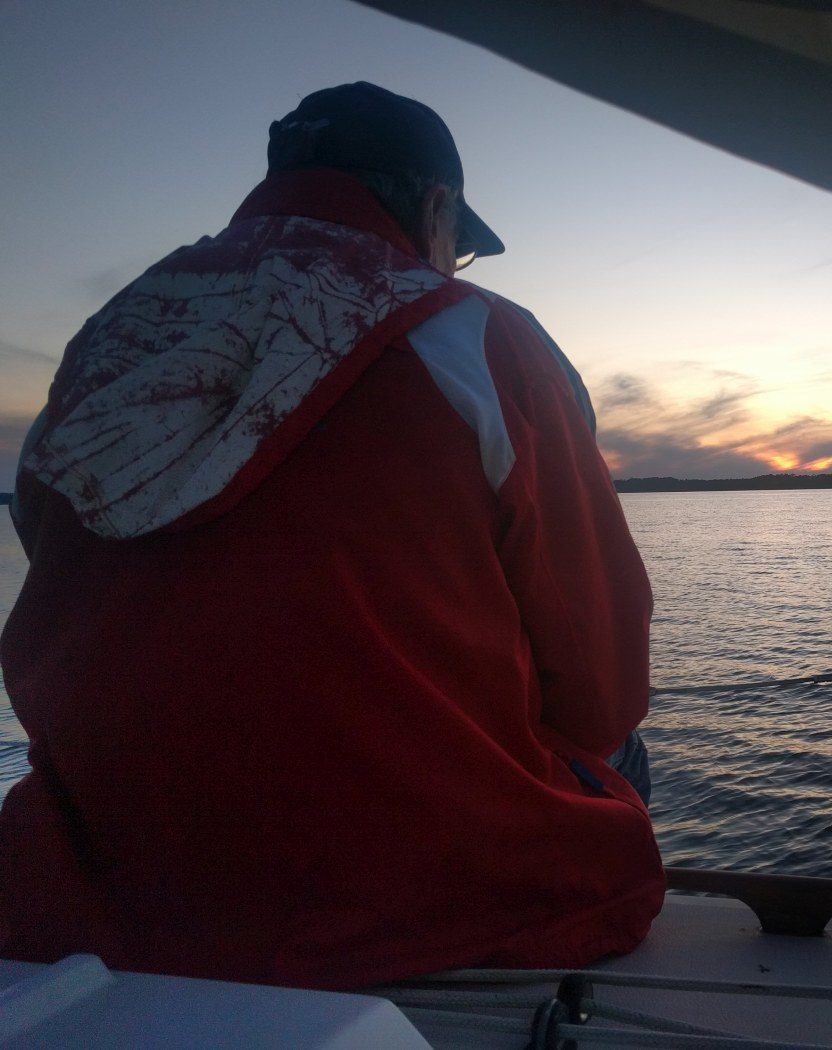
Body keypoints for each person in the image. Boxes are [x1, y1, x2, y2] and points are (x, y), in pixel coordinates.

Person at [0, 82, 664, 989]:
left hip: (103, 894)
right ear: (435, 208)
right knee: (621, 756)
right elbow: (602, 689)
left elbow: (55, 565)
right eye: (458, 244)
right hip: (424, 898)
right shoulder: (479, 337)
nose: (453, 265)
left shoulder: (105, 348)